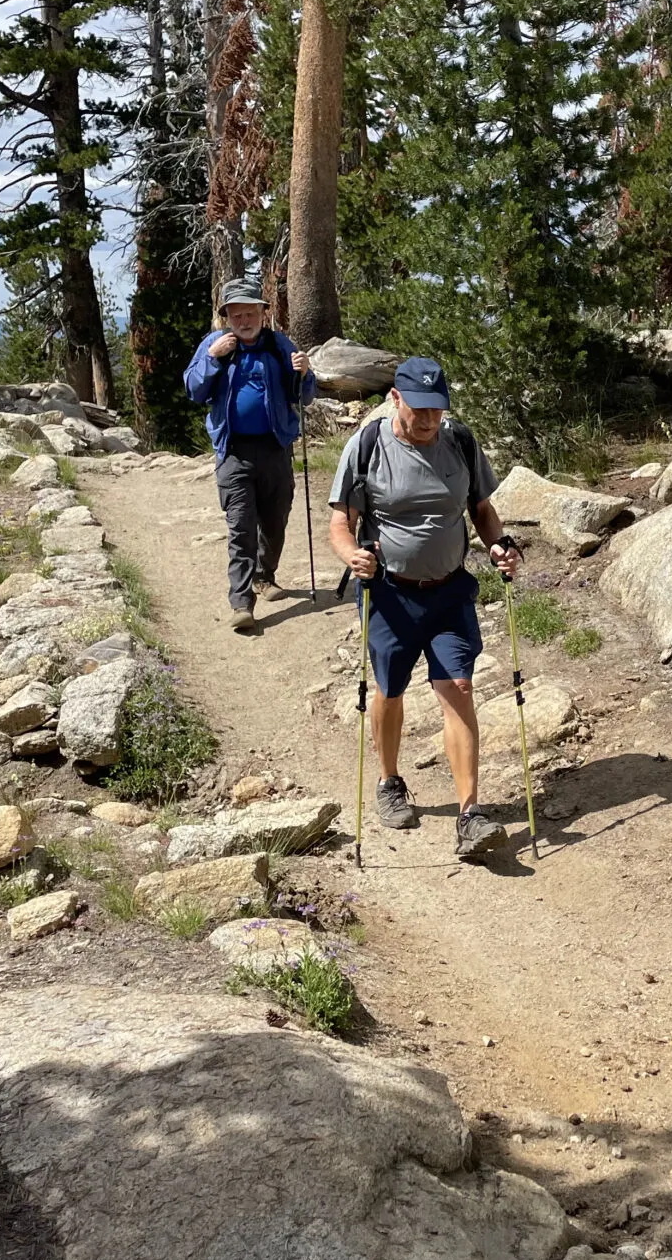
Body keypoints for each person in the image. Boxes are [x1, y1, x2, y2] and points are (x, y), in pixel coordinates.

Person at [327, 356, 520, 861]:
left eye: (437, 410)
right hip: (389, 594)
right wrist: (353, 556)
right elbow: (340, 523)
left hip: (451, 590)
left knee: (458, 685)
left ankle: (470, 816)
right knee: (388, 691)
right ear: (396, 399)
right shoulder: (367, 446)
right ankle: (390, 781)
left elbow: (480, 509)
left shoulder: (460, 441)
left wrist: (498, 544)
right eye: (419, 410)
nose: (429, 420)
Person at [183, 280, 316, 632]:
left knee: (275, 520)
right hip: (234, 451)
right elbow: (194, 390)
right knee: (240, 526)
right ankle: (241, 601)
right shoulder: (214, 346)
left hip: (275, 447)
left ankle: (264, 575)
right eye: (236, 314)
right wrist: (213, 360)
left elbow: (305, 396)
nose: (244, 320)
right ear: (226, 316)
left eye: (250, 312)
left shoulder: (278, 345)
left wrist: (304, 373)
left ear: (263, 313)